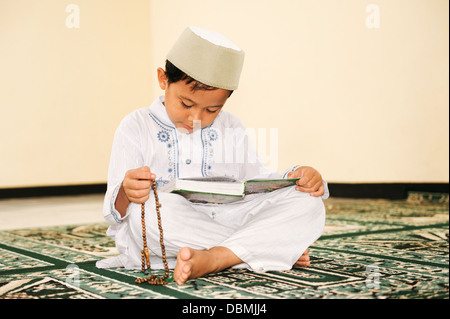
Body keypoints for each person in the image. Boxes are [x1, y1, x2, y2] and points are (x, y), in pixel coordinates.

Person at [96, 26, 329, 285]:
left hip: (230, 217)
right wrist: (127, 192)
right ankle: (262, 248)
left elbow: (258, 183)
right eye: (186, 104)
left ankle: (216, 258)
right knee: (148, 210)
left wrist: (298, 178)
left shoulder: (231, 126)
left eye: (212, 109)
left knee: (308, 202)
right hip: (174, 223)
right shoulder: (135, 126)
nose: (196, 118)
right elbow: (113, 212)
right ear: (163, 79)